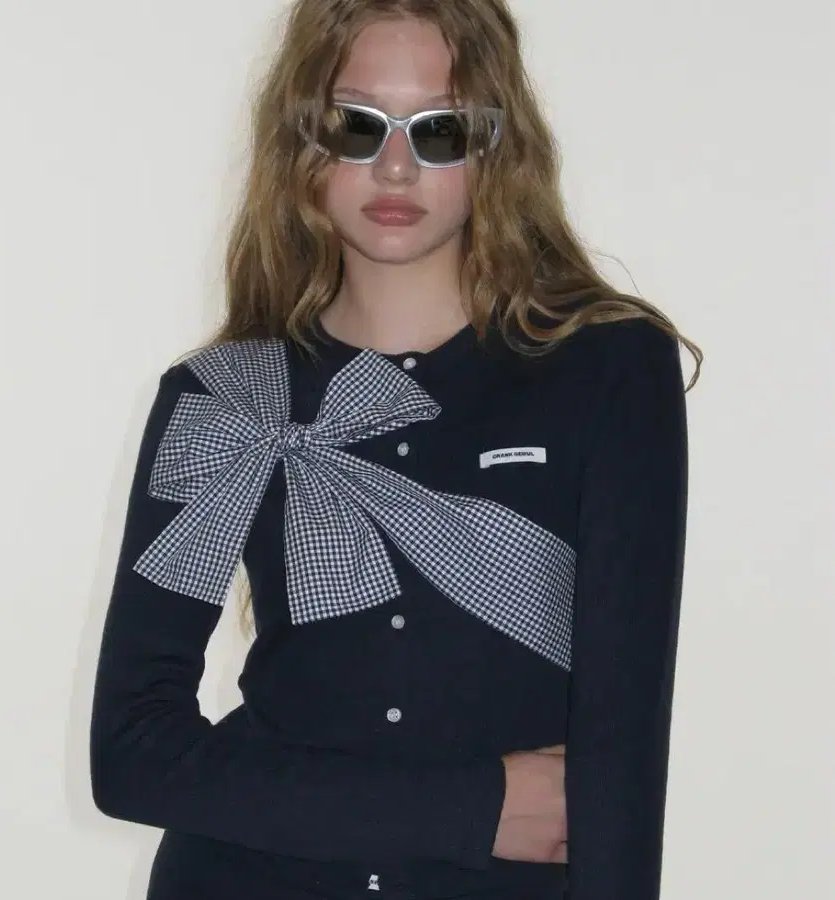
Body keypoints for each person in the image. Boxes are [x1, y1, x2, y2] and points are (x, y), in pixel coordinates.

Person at [89, 1, 702, 898]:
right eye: (357, 124)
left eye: (439, 130)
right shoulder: (224, 401)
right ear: (303, 138)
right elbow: (132, 754)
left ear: (496, 146)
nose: (396, 166)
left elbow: (623, 754)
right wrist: (470, 808)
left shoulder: (609, 370)